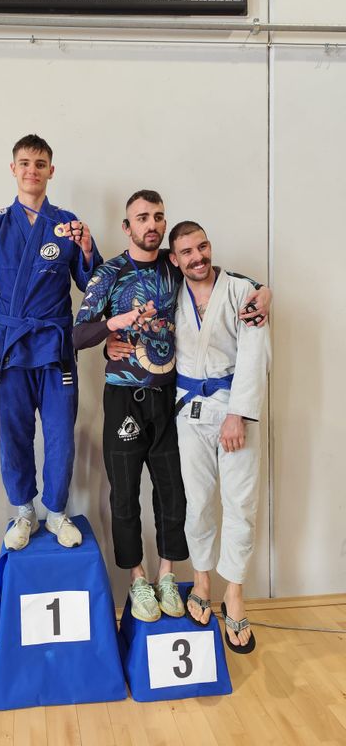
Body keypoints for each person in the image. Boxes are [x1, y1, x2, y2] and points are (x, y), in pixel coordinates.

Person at [73, 190, 270, 623]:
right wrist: (112, 328)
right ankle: (138, 579)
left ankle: (166, 574)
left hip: (170, 399)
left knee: (175, 494)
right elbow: (77, 334)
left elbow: (222, 278)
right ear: (127, 227)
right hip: (123, 398)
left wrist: (263, 290)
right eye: (142, 217)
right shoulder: (109, 273)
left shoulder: (173, 263)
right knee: (125, 494)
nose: (152, 224)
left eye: (158, 216)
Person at [0, 135, 102, 551]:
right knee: (14, 434)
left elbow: (92, 284)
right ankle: (24, 511)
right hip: (10, 347)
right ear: (13, 169)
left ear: (51, 171)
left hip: (56, 347)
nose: (32, 170)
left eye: (40, 164)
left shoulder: (67, 224)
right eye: (24, 163)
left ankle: (57, 512)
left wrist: (87, 249)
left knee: (61, 435)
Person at [168, 220, 270, 653]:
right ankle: (202, 581)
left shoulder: (243, 292)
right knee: (198, 501)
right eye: (187, 252)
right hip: (188, 409)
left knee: (240, 502)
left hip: (233, 408)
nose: (198, 257)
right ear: (175, 260)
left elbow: (254, 354)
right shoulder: (169, 294)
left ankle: (234, 593)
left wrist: (238, 415)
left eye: (202, 247)